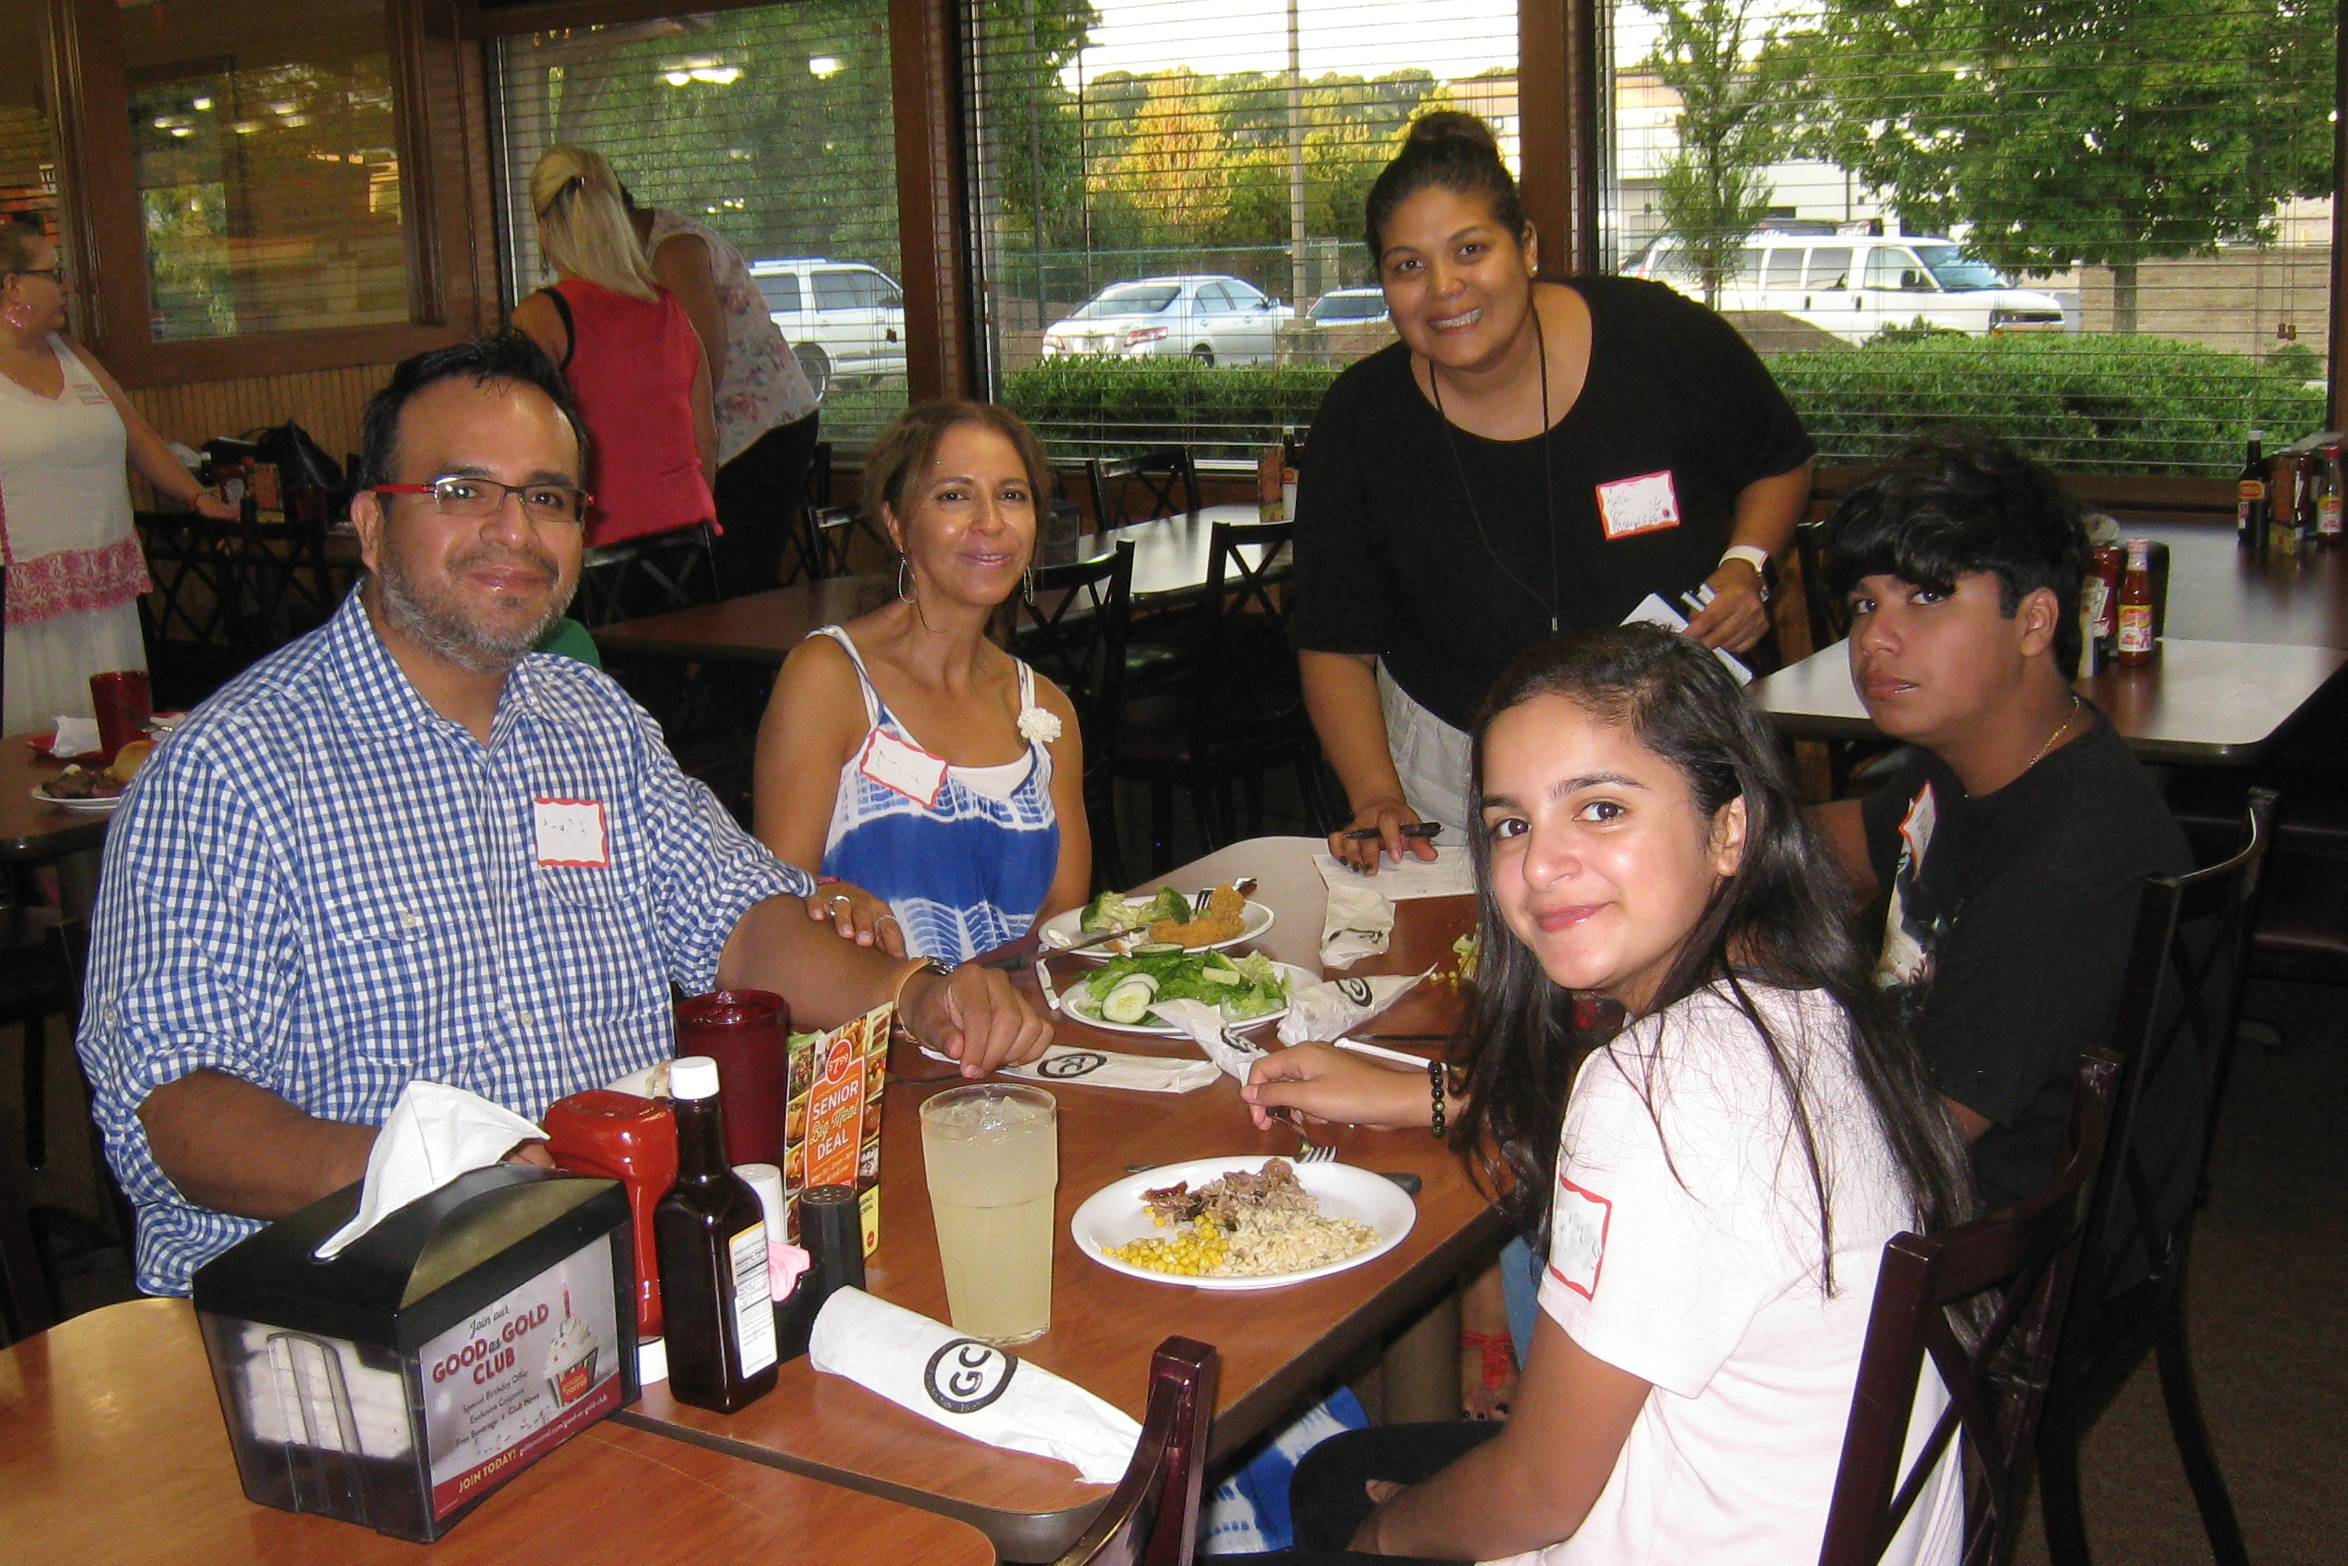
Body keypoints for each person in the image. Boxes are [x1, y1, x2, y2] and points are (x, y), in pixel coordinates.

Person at [74, 333, 1050, 1297]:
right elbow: (174, 1111)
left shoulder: (592, 723)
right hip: (347, 1302)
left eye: (546, 498)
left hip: (608, 1279)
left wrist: (917, 994)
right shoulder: (230, 771)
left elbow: (743, 926)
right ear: (371, 525)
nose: (514, 531)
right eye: (461, 493)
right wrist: (440, 1176)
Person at [1240, 626, 1970, 1564]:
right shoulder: (1808, 1001)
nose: (1540, 866)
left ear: (1729, 829)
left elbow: (1537, 1495)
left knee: (1349, 1505)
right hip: (1824, 1521)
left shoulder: (1662, 1087)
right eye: (1512, 825)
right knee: (1335, 1474)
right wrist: (1431, 1095)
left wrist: (1387, 1536)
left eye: (1601, 809)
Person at [1291, 113, 1815, 876]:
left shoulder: (1655, 336)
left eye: (1472, 250)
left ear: (1528, 247)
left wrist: (1743, 565)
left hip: (1680, 737)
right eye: (1408, 266)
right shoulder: (1361, 420)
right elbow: (1334, 642)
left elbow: (1778, 458)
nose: (1444, 289)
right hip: (1457, 762)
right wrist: (1376, 793)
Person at [1809, 427, 2199, 1265]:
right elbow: (1829, 845)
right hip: (1932, 1177)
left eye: (1925, 598)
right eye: (1865, 604)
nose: (1876, 639)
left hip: (1982, 1260)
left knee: (1570, 1182)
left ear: (2035, 621)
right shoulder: (1976, 760)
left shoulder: (2063, 867)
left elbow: (1901, 1147)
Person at [751, 401, 1087, 964]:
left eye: (1012, 495)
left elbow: (1062, 921)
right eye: (954, 495)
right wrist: (829, 898)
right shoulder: (830, 679)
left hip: (1017, 1030)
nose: (991, 522)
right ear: (897, 524)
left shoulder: (1045, 710)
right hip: (875, 1034)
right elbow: (775, 907)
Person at [0, 220, 235, 732]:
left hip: (104, 586)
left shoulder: (73, 355)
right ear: (11, 284)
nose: (66, 286)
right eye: (52, 273)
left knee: (114, 740)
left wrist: (199, 500)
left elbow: (139, 438)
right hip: (21, 603)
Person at [622, 184, 823, 598]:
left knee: (737, 581)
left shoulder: (674, 250)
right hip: (727, 426)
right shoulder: (631, 255)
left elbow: (701, 363)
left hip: (762, 425)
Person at [511, 145, 716, 550]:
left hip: (597, 548)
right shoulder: (670, 308)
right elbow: (705, 439)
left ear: (543, 227)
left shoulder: (542, 317)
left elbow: (522, 446)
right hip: (688, 537)